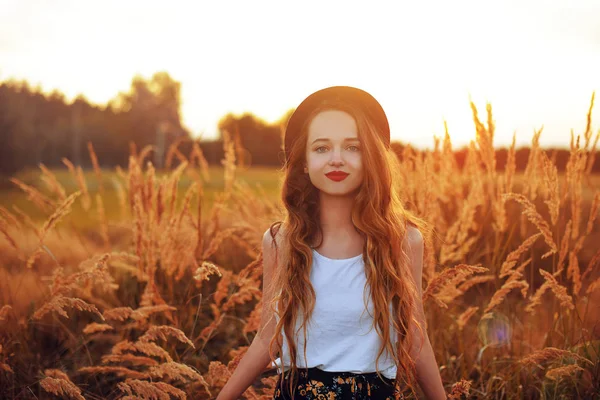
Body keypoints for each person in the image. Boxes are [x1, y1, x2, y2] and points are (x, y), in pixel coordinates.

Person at [216, 86, 446, 399]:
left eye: (353, 147)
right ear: (304, 162)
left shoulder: (403, 241)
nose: (337, 159)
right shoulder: (281, 242)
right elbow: (268, 336)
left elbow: (416, 339)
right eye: (322, 148)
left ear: (371, 158)